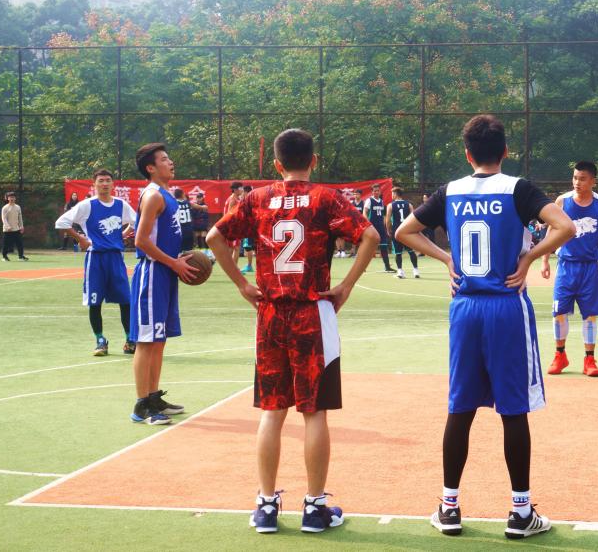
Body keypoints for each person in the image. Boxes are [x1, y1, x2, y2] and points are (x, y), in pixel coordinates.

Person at [395, 114, 574, 540]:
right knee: (514, 410)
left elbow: (404, 231)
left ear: (467, 154)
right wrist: (529, 257)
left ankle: (449, 508)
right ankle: (520, 513)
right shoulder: (517, 188)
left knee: (460, 408)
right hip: (506, 307)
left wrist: (446, 259)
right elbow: (564, 226)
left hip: (465, 308)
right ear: (505, 151)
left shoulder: (450, 191)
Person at [207, 128, 378, 535]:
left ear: (277, 164)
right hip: (312, 311)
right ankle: (315, 508)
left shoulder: (257, 198)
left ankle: (266, 506)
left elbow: (214, 237)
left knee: (272, 410)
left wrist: (242, 284)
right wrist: (346, 285)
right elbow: (370, 235)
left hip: (270, 314)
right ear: (314, 161)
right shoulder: (325, 198)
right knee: (314, 411)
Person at [128, 143, 198, 426]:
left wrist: (177, 260)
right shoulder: (153, 196)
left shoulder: (168, 195)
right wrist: (173, 263)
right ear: (150, 167)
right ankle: (141, 406)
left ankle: (153, 397)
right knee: (146, 342)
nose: (171, 162)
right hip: (152, 273)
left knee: (159, 340)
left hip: (165, 272)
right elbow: (141, 240)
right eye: (165, 159)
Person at [541, 161, 598, 378]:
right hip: (566, 266)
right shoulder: (562, 202)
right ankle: (560, 355)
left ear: (593, 181)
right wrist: (545, 259)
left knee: (589, 315)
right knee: (559, 313)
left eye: (582, 179)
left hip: (590, 267)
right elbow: (551, 232)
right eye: (574, 178)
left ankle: (589, 359)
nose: (577, 182)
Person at [55, 169, 137, 356]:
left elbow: (136, 222)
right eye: (101, 181)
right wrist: (80, 239)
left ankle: (130, 339)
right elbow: (61, 222)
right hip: (96, 259)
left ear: (113, 184)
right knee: (95, 302)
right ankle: (100, 340)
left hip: (116, 258)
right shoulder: (87, 205)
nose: (105, 184)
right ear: (94, 184)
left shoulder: (121, 205)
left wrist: (122, 235)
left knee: (126, 300)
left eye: (108, 180)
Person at [387, 187, 420, 278]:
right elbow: (413, 218)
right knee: (411, 251)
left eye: (392, 193)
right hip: (407, 231)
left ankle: (400, 272)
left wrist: (388, 229)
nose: (392, 195)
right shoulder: (409, 205)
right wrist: (413, 229)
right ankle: (416, 271)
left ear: (396, 194)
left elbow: (388, 219)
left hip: (396, 231)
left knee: (398, 252)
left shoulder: (390, 205)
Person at [363, 183, 394, 273]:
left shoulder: (381, 201)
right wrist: (367, 223)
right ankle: (362, 266)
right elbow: (364, 212)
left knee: (384, 246)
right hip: (372, 226)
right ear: (372, 192)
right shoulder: (369, 200)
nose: (376, 192)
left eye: (378, 191)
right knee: (369, 247)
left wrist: (385, 225)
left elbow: (384, 215)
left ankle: (387, 266)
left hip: (381, 227)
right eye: (375, 191)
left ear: (380, 191)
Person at [0, 191, 27, 261]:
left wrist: (21, 226)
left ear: (15, 198)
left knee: (19, 243)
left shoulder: (18, 207)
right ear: (7, 198)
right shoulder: (5, 208)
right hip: (7, 230)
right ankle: (4, 257)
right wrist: (7, 226)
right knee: (6, 244)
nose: (12, 198)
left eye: (13, 197)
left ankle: (21, 257)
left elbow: (20, 217)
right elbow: (3, 218)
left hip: (16, 229)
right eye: (10, 197)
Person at [224, 182, 245, 266]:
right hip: (232, 226)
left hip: (233, 226)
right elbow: (229, 214)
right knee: (235, 248)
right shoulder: (233, 199)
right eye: (240, 188)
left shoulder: (236, 198)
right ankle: (232, 268)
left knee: (233, 248)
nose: (242, 189)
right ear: (235, 189)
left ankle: (230, 267)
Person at [240, 185, 256, 274]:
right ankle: (250, 266)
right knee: (251, 247)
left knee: (248, 247)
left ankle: (249, 266)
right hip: (253, 227)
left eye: (243, 192)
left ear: (246, 192)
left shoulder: (248, 200)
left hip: (249, 227)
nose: (242, 193)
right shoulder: (254, 199)